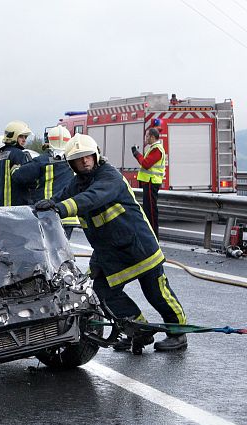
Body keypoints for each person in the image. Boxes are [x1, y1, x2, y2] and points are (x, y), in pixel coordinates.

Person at [35, 134, 188, 354]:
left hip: (138, 247)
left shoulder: (110, 176)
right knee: (102, 292)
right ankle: (139, 331)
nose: (85, 161)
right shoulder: (77, 183)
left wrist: (61, 208)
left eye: (88, 156)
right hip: (110, 252)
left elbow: (93, 197)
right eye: (79, 159)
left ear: (95, 155)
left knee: (156, 292)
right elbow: (64, 196)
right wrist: (47, 206)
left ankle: (178, 333)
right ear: (72, 164)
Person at [10, 125, 79, 238]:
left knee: (48, 250)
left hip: (48, 214)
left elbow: (19, 176)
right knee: (61, 250)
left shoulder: (42, 161)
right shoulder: (74, 161)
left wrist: (14, 169)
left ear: (49, 140)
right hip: (69, 216)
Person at [131, 127, 165, 239]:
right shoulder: (153, 148)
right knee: (148, 210)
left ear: (152, 137)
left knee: (151, 210)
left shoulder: (157, 149)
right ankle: (151, 235)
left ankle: (154, 236)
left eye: (146, 136)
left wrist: (136, 153)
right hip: (149, 182)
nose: (145, 138)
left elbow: (146, 164)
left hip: (152, 182)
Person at [0, 120, 32, 207]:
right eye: (21, 137)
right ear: (13, 136)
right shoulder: (18, 154)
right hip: (15, 206)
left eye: (25, 137)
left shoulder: (1, 155)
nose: (24, 140)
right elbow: (25, 179)